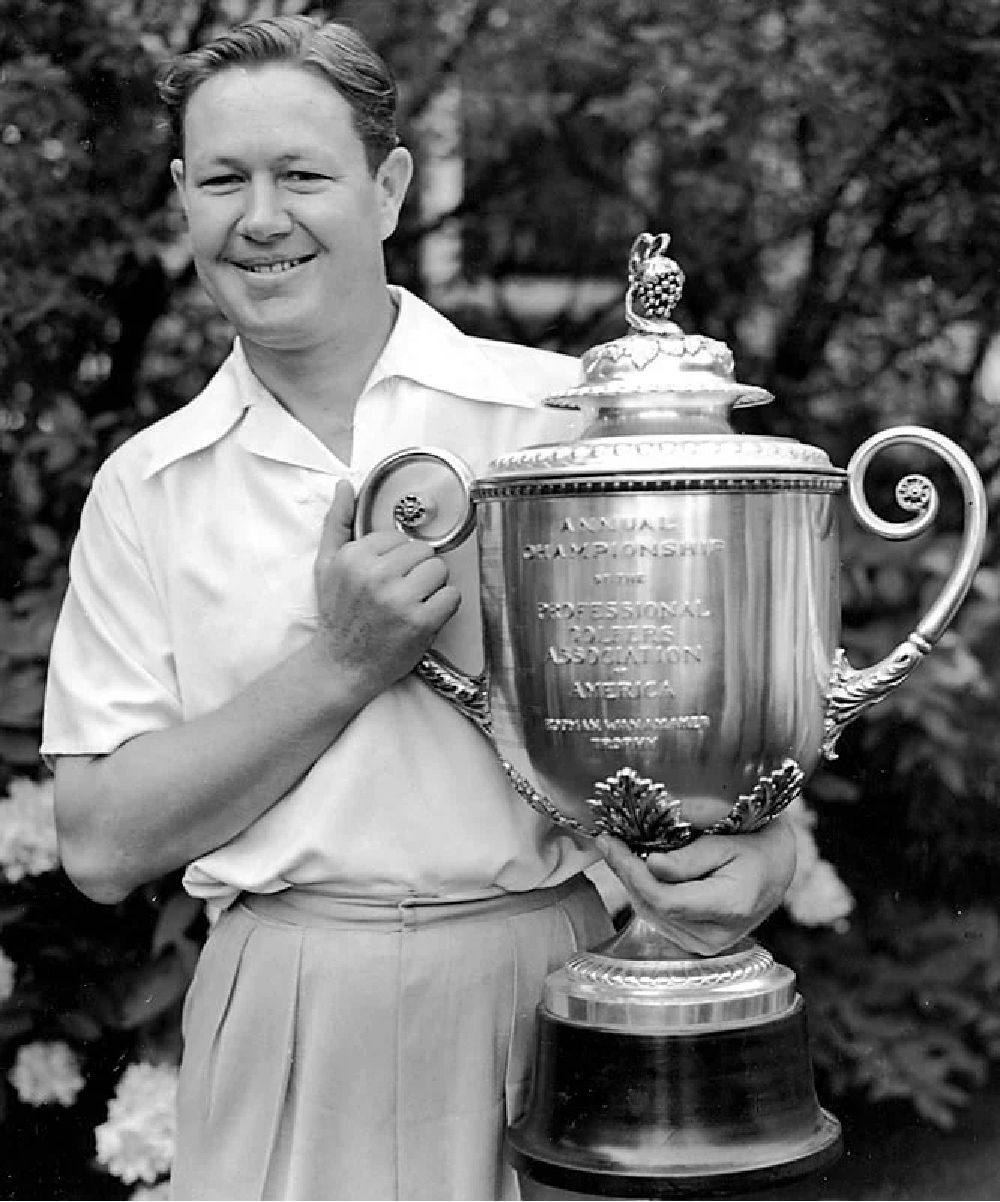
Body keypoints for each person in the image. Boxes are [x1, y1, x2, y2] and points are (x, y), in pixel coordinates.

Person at [42, 15, 796, 1201]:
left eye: (302, 174)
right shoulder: (148, 482)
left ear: (388, 187)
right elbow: (96, 840)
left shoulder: (564, 425)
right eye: (225, 179)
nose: (262, 217)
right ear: (183, 198)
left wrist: (764, 842)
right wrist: (339, 662)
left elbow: (728, 708)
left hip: (551, 975)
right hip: (279, 1001)